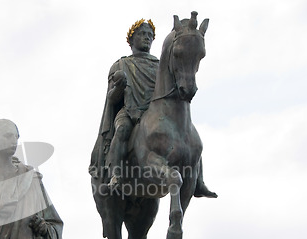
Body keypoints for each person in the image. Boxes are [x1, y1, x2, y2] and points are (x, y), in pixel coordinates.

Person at [89, 18, 216, 197]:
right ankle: (116, 174)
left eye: (150, 35)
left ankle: (198, 181)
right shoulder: (121, 64)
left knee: (188, 135)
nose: (147, 38)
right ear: (131, 39)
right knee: (123, 129)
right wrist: (119, 86)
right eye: (142, 34)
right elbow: (112, 99)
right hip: (130, 111)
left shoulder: (159, 64)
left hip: (156, 113)